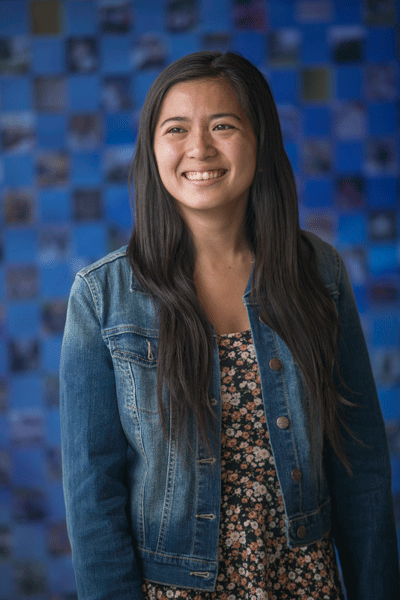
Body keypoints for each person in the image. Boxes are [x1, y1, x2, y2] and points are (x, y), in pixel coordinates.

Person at [60, 51, 399, 600]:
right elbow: (91, 495)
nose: (199, 148)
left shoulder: (320, 274)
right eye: (176, 129)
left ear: (259, 140)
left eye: (223, 125)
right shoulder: (102, 296)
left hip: (303, 584)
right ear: (152, 149)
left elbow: (360, 467)